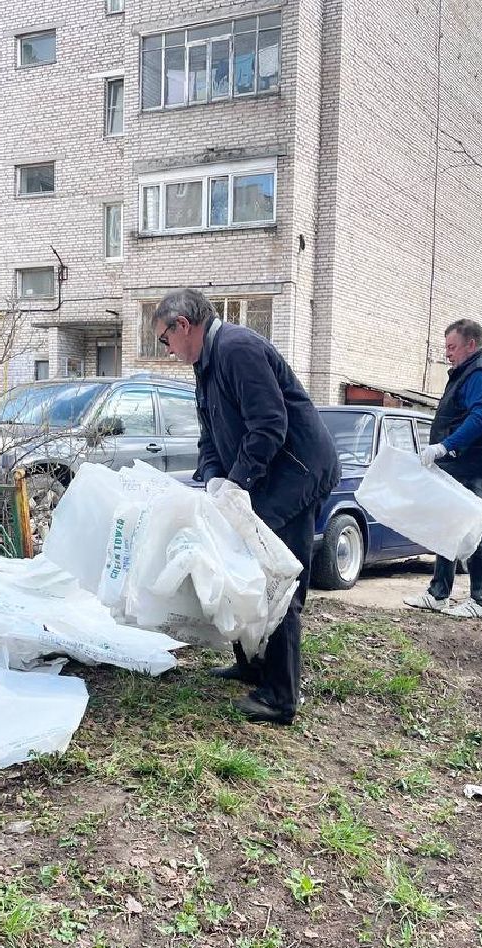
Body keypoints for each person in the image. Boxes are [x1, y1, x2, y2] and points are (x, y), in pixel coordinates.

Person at [151, 288, 340, 726]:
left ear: (183, 325)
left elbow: (270, 425)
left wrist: (237, 482)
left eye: (164, 338)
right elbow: (209, 436)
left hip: (296, 474)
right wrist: (214, 476)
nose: (168, 349)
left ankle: (280, 695)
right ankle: (251, 665)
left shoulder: (238, 349)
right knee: (242, 562)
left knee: (277, 578)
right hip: (266, 476)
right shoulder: (206, 364)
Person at [403, 318, 482, 619]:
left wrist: (444, 446)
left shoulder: (480, 374)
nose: (447, 353)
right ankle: (438, 594)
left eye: (452, 347)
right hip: (462, 465)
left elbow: (479, 419)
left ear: (470, 345)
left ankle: (480, 602)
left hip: (475, 467)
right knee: (449, 527)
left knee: (474, 532)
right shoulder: (469, 371)